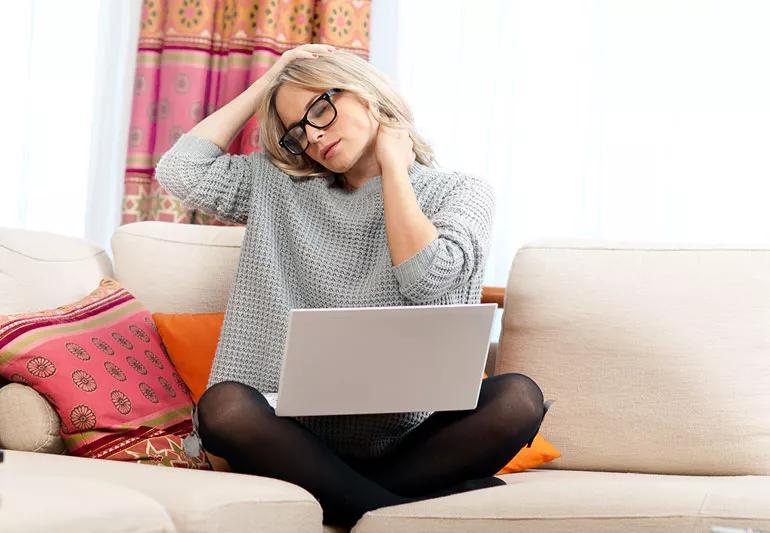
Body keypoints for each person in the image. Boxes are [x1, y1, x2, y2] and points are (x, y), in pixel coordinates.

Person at [155, 43, 550, 528]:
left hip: (412, 436)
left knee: (518, 400)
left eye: (321, 109)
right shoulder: (277, 185)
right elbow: (180, 171)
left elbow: (426, 279)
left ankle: (350, 500)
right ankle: (394, 512)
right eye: (299, 130)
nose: (314, 136)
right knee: (225, 407)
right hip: (290, 436)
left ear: (367, 94)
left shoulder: (461, 192)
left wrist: (394, 172)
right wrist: (273, 76)